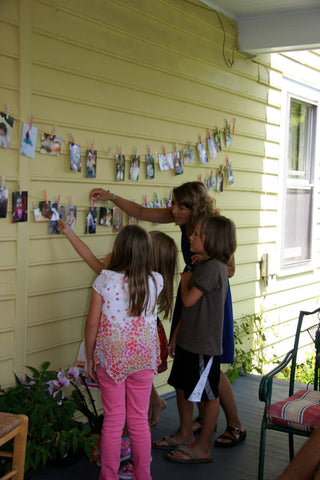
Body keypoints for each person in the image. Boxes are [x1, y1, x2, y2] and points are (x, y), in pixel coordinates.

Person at [90, 182, 246, 447]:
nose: (173, 211)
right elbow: (141, 212)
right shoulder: (182, 219)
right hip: (190, 290)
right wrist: (111, 196)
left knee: (210, 366)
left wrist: (204, 264)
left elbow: (228, 269)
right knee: (187, 361)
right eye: (173, 204)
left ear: (193, 208)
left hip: (207, 296)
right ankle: (192, 425)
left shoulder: (213, 226)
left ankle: (234, 423)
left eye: (179, 206)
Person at [84, 225, 163, 479]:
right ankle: (143, 475)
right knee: (139, 421)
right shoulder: (156, 281)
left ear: (118, 249)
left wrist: (90, 355)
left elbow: (92, 323)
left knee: (113, 421)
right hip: (143, 359)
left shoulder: (105, 281)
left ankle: (109, 476)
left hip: (112, 360)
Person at [164, 214, 237, 463]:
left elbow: (188, 300)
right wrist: (176, 334)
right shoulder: (203, 265)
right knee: (183, 386)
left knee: (208, 395)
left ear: (212, 241)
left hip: (203, 346)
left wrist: (185, 282)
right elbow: (190, 310)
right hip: (189, 341)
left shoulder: (214, 269)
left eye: (196, 235)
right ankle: (186, 435)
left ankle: (203, 447)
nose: (190, 237)